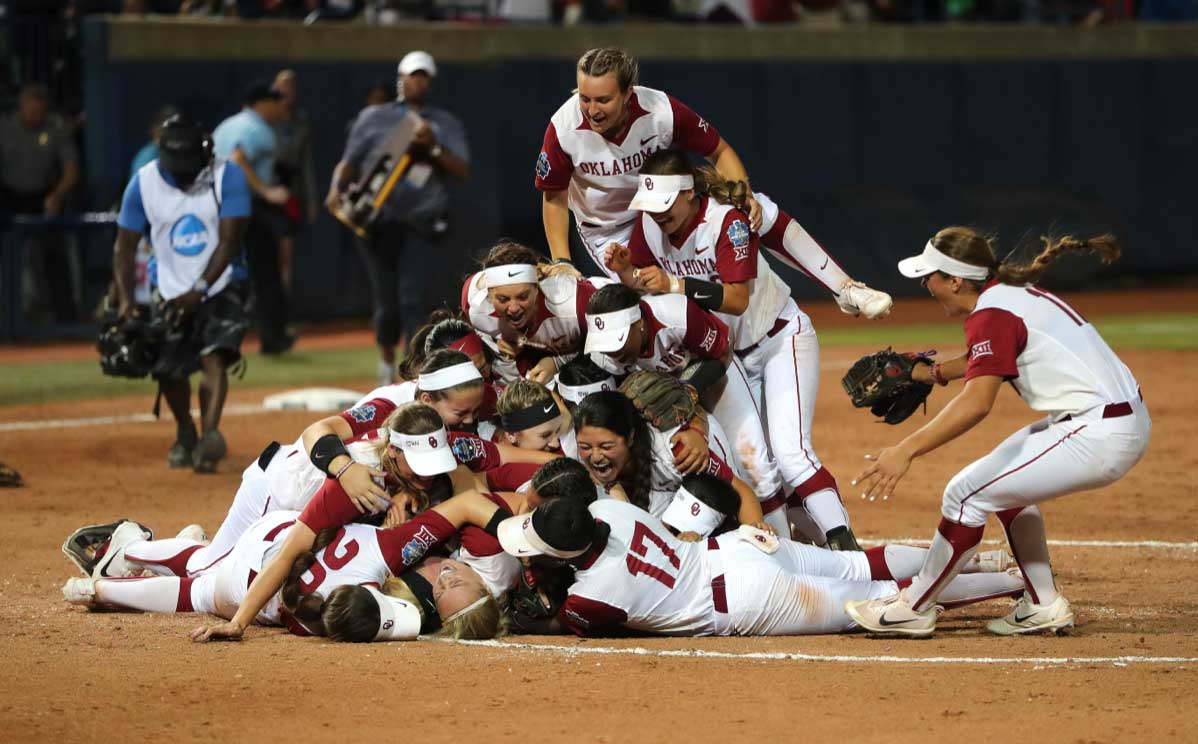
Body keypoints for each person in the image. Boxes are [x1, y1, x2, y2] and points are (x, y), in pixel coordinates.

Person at [844, 229, 1149, 637]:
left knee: (964, 494)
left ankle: (912, 607)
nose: (925, 285)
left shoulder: (992, 314)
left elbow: (978, 402)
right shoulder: (1007, 294)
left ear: (955, 281)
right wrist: (931, 373)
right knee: (1002, 485)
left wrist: (907, 449)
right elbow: (989, 354)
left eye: (929, 276)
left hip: (1098, 432)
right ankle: (1043, 604)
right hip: (1111, 419)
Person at [605, 151, 861, 550]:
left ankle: (847, 548)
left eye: (665, 204)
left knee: (791, 453)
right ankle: (791, 554)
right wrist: (627, 273)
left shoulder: (727, 221)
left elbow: (737, 300)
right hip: (730, 357)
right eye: (651, 206)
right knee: (756, 467)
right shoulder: (650, 227)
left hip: (779, 338)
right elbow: (643, 285)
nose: (657, 214)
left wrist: (674, 284)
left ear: (689, 194)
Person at [534, 46, 893, 325]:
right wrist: (562, 260)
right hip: (612, 228)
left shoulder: (661, 111)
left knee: (759, 211)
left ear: (629, 93)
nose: (591, 109)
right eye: (584, 98)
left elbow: (718, 150)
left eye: (603, 99)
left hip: (671, 204)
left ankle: (845, 289)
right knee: (658, 301)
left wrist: (743, 194)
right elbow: (554, 197)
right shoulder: (564, 128)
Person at [497, 497, 1025, 637]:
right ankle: (977, 557)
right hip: (742, 547)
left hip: (748, 600)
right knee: (860, 564)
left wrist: (533, 621)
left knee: (883, 600)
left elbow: (563, 620)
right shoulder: (608, 511)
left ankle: (1013, 580)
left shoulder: (593, 596)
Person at [61, 509, 502, 643]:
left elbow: (465, 504)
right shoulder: (358, 603)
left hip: (283, 526)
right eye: (456, 581)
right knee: (200, 586)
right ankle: (109, 581)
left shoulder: (389, 550)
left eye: (440, 588)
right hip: (249, 583)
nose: (444, 577)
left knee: (204, 565)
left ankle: (130, 550)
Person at [113, 114, 251, 473]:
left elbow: (229, 241)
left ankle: (210, 435)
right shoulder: (143, 183)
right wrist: (126, 300)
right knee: (168, 369)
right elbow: (124, 247)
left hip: (220, 282)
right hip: (169, 286)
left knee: (214, 356)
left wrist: (200, 288)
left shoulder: (227, 175)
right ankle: (186, 430)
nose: (181, 173)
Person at [326, 50, 472, 386]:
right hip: (377, 221)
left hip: (422, 220)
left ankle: (411, 372)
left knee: (413, 299)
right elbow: (349, 161)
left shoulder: (445, 123)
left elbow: (463, 170)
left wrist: (433, 146)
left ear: (431, 82)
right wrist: (336, 188)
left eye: (423, 76)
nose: (417, 82)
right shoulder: (373, 118)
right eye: (412, 75)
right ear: (400, 79)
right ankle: (385, 362)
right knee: (386, 303)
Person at [213, 79, 294, 355]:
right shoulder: (254, 127)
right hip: (248, 208)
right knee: (267, 275)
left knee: (222, 273)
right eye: (275, 102)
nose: (279, 107)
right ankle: (273, 339)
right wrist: (266, 191)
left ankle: (217, 337)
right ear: (261, 104)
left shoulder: (226, 126)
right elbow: (237, 160)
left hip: (217, 207)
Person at [462, 240, 610, 385]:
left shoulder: (575, 303)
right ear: (489, 293)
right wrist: (497, 342)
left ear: (536, 288)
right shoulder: (474, 305)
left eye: (523, 297)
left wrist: (558, 362)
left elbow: (613, 345)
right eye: (503, 299)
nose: (513, 308)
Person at [0, 82, 81, 323]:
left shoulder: (55, 129)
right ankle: (7, 320)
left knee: (54, 254)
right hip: (8, 196)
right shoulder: (5, 128)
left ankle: (65, 319)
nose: (36, 114)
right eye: (31, 108)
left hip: (43, 197)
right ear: (21, 106)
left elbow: (71, 170)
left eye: (40, 109)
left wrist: (57, 195)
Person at [271, 70, 318, 296]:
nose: (286, 91)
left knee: (285, 256)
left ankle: (282, 306)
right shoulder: (266, 120)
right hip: (265, 192)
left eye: (291, 86)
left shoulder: (302, 124)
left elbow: (306, 165)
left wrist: (311, 201)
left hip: (290, 194)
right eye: (282, 86)